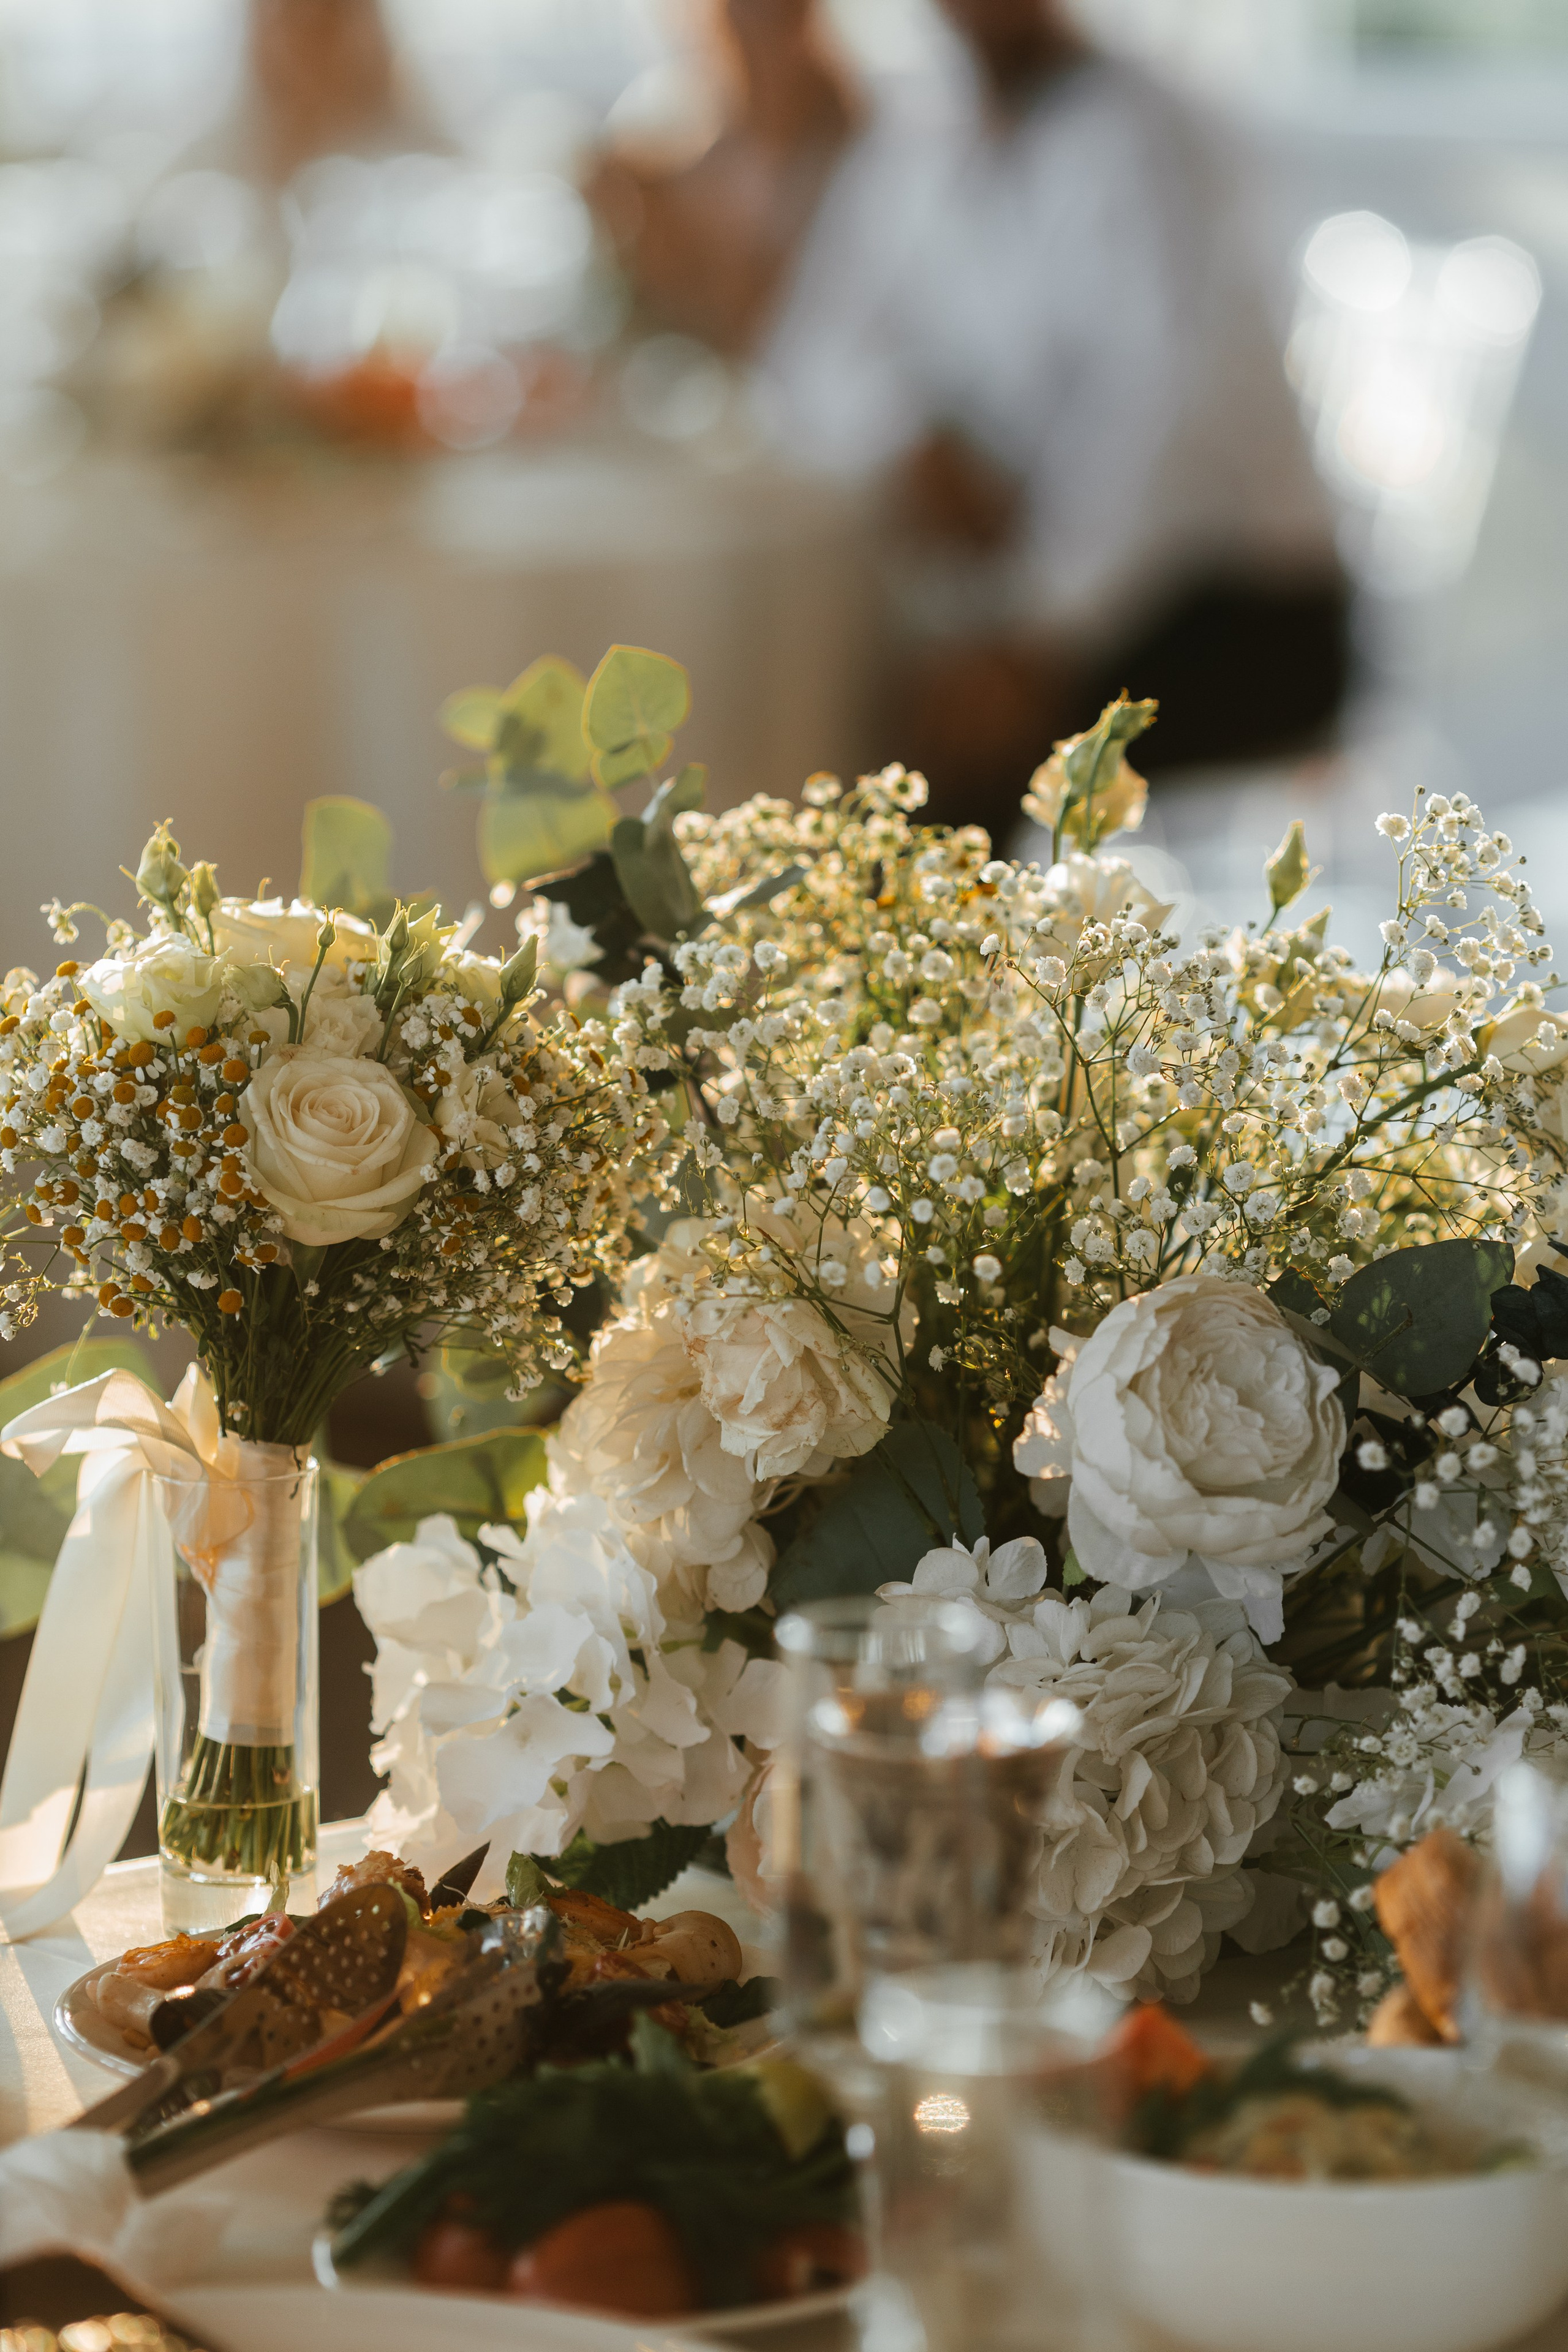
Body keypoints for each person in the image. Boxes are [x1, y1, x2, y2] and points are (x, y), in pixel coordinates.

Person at [609, 0, 1351, 832]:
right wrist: (907, 438)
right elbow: (813, 351)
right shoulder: (926, 128)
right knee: (812, 678)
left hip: (1232, 606)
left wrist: (1038, 633)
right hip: (1021, 582)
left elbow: (1163, 427)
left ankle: (957, 964)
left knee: (935, 749)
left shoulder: (1154, 137)